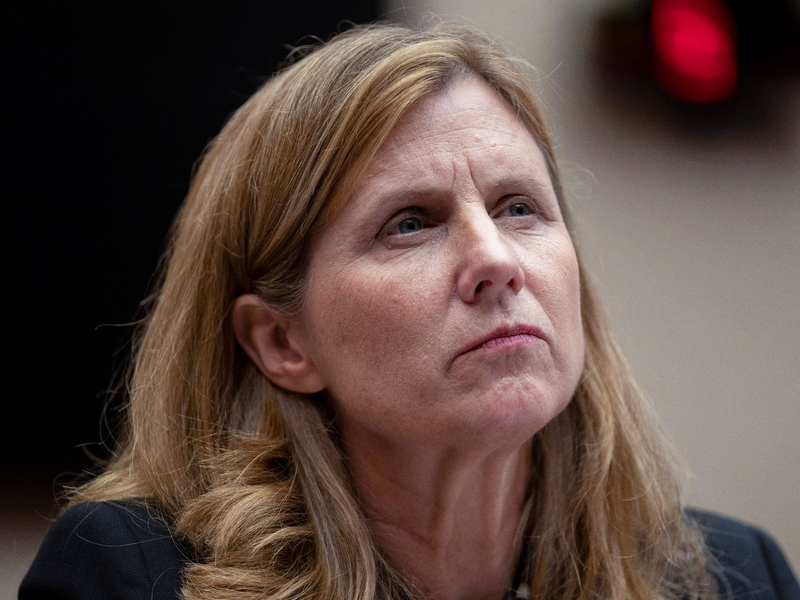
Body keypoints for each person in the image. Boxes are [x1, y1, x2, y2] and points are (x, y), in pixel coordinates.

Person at [20, 22, 799, 600]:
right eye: (411, 223)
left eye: (520, 207)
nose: (496, 260)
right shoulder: (126, 577)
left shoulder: (738, 578)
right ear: (282, 341)